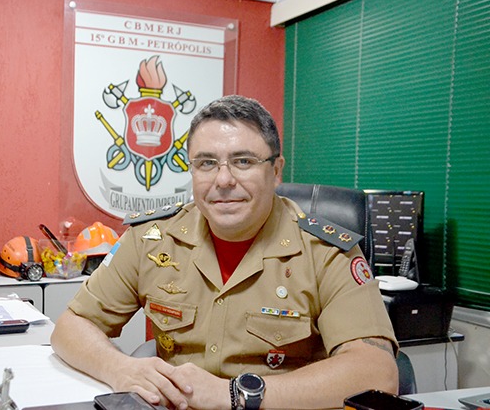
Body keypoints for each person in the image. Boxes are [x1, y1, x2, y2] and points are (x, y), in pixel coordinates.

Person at [51, 95, 398, 410]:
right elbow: (71, 326)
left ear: (276, 171)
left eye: (243, 161)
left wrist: (235, 394)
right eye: (206, 163)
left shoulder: (326, 252)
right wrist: (119, 368)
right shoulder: (152, 239)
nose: (223, 180)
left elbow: (376, 372)